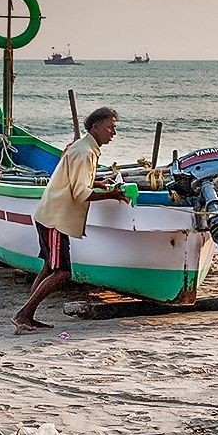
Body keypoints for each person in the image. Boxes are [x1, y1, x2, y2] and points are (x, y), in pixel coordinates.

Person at [12, 106, 130, 333]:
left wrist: (97, 182)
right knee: (63, 271)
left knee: (49, 266)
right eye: (110, 128)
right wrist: (112, 194)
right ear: (95, 127)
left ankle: (27, 313)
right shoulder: (85, 152)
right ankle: (24, 314)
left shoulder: (84, 147)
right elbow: (80, 193)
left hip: (50, 214)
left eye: (115, 128)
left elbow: (74, 179)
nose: (113, 133)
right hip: (57, 219)